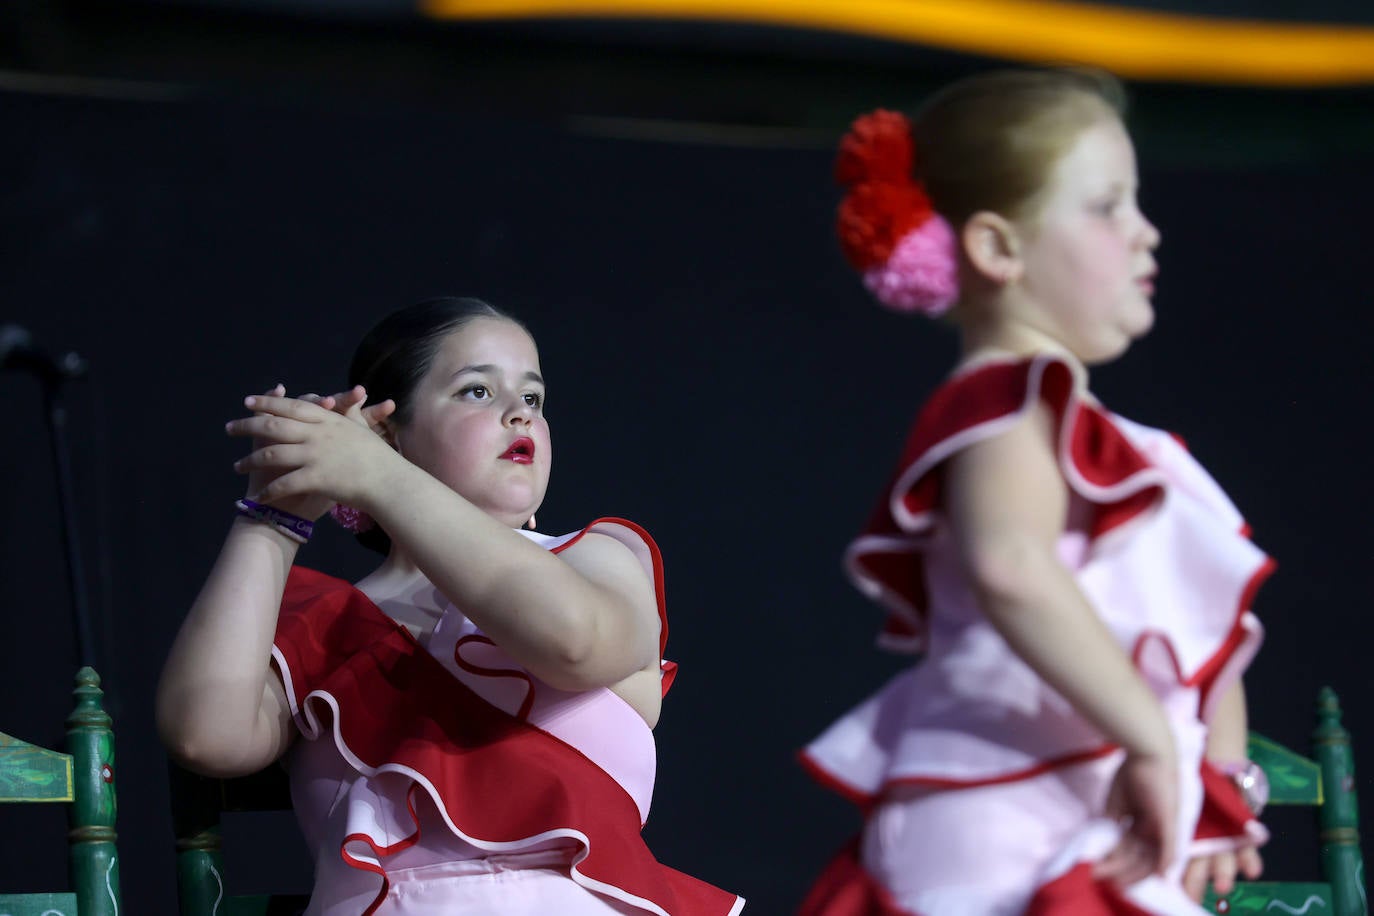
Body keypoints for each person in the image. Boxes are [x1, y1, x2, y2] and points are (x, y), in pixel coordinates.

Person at [798, 70, 1272, 914]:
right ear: (996, 248)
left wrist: (1219, 787)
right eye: (1107, 206)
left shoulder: (1123, 446)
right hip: (1003, 822)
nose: (1146, 234)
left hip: (1087, 813)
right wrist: (1155, 743)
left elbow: (1203, 640)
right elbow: (1011, 567)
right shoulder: (1006, 397)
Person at [157, 297, 744, 916]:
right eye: (476, 392)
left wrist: (379, 477)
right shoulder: (322, 618)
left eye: (534, 399)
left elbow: (575, 642)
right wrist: (274, 515)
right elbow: (204, 736)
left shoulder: (594, 557)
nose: (519, 413)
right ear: (387, 433)